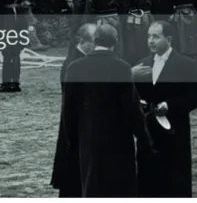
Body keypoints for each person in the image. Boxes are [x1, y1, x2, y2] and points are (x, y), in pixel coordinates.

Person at [61, 23, 154, 197]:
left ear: (94, 41)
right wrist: (145, 140)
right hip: (118, 140)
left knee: (92, 188)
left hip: (88, 139)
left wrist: (72, 142)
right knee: (119, 188)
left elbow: (68, 112)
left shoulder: (75, 68)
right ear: (115, 42)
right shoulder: (121, 67)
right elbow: (132, 110)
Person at [133, 21, 197, 197]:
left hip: (175, 131)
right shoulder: (142, 65)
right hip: (149, 131)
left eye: (156, 37)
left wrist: (171, 105)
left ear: (169, 39)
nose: (150, 41)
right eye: (149, 36)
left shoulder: (185, 64)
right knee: (148, 179)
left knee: (175, 179)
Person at [51, 23, 96, 197]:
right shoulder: (74, 63)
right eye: (94, 41)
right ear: (83, 41)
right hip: (76, 121)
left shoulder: (78, 60)